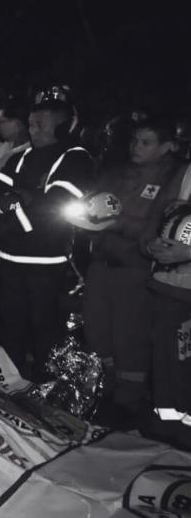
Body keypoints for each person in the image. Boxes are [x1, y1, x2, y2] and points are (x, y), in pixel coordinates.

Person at [83, 118, 182, 422]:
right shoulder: (118, 173)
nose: (136, 147)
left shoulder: (173, 179)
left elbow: (159, 225)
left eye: (146, 142)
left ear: (168, 147)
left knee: (130, 337)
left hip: (134, 270)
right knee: (98, 330)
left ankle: (127, 404)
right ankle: (103, 389)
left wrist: (121, 223)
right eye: (134, 141)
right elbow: (93, 205)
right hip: (101, 264)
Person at [0, 99, 94, 380]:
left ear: (62, 128)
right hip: (10, 259)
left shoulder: (75, 157)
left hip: (48, 262)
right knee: (11, 323)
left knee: (44, 326)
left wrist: (15, 207)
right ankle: (12, 378)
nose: (33, 130)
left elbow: (54, 206)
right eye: (31, 124)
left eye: (40, 124)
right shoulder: (20, 157)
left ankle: (46, 383)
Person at [142, 179, 191, 448]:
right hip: (168, 285)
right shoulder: (184, 172)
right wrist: (151, 245)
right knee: (165, 356)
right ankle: (165, 422)